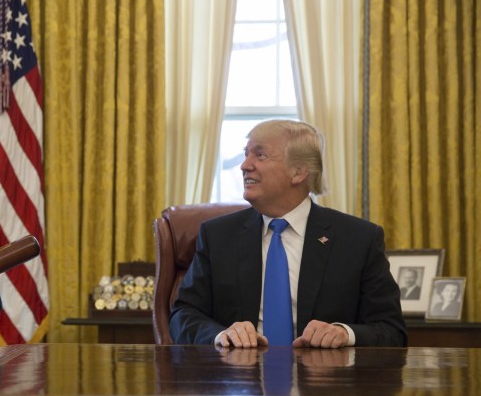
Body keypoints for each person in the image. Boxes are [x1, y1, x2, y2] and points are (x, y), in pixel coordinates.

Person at [169, 119, 407, 349]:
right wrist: (221, 335)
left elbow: (391, 330)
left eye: (259, 155)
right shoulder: (217, 236)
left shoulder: (359, 239)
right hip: (239, 380)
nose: (244, 165)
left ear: (299, 172)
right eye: (246, 154)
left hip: (325, 382)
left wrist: (345, 333)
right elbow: (183, 315)